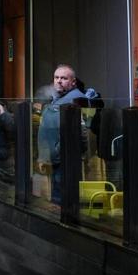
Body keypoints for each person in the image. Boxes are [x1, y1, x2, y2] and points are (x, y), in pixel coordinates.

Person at [37, 64, 98, 205]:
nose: (58, 81)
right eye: (56, 77)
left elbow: (83, 134)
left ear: (73, 82)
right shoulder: (56, 99)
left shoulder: (76, 100)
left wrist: (63, 151)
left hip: (66, 160)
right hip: (56, 159)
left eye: (64, 78)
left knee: (64, 202)